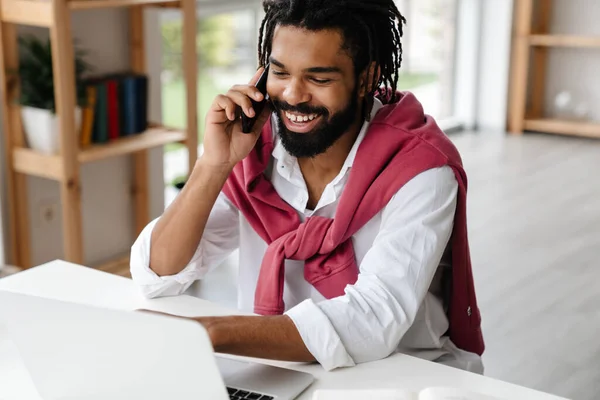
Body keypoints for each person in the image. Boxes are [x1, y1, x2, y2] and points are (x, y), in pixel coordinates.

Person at [130, 0, 485, 373]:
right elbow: (157, 277)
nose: (294, 95)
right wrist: (213, 164)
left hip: (403, 373)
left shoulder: (421, 169)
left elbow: (374, 319)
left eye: (319, 79)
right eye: (280, 73)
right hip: (278, 365)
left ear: (367, 78)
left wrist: (212, 333)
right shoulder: (254, 150)